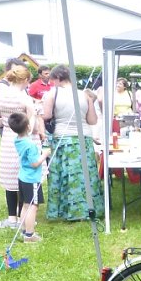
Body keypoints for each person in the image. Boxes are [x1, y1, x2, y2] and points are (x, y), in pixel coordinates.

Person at [42, 64, 104, 221]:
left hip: (63, 139)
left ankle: (66, 210)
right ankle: (89, 209)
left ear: (57, 78)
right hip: (84, 138)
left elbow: (47, 115)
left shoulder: (52, 93)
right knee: (86, 175)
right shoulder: (84, 94)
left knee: (65, 175)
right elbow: (92, 120)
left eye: (52, 80)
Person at [0, 64, 36, 229]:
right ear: (24, 80)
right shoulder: (24, 98)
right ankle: (25, 216)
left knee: (10, 179)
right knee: (24, 176)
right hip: (23, 139)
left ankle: (12, 218)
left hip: (8, 140)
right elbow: (31, 125)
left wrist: (5, 122)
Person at [7, 112, 47, 243]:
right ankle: (30, 235)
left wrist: (34, 116)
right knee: (33, 206)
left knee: (25, 205)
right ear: (29, 127)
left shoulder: (18, 140)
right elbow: (35, 163)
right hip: (32, 179)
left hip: (23, 178)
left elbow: (25, 130)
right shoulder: (31, 145)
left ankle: (24, 230)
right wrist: (45, 154)